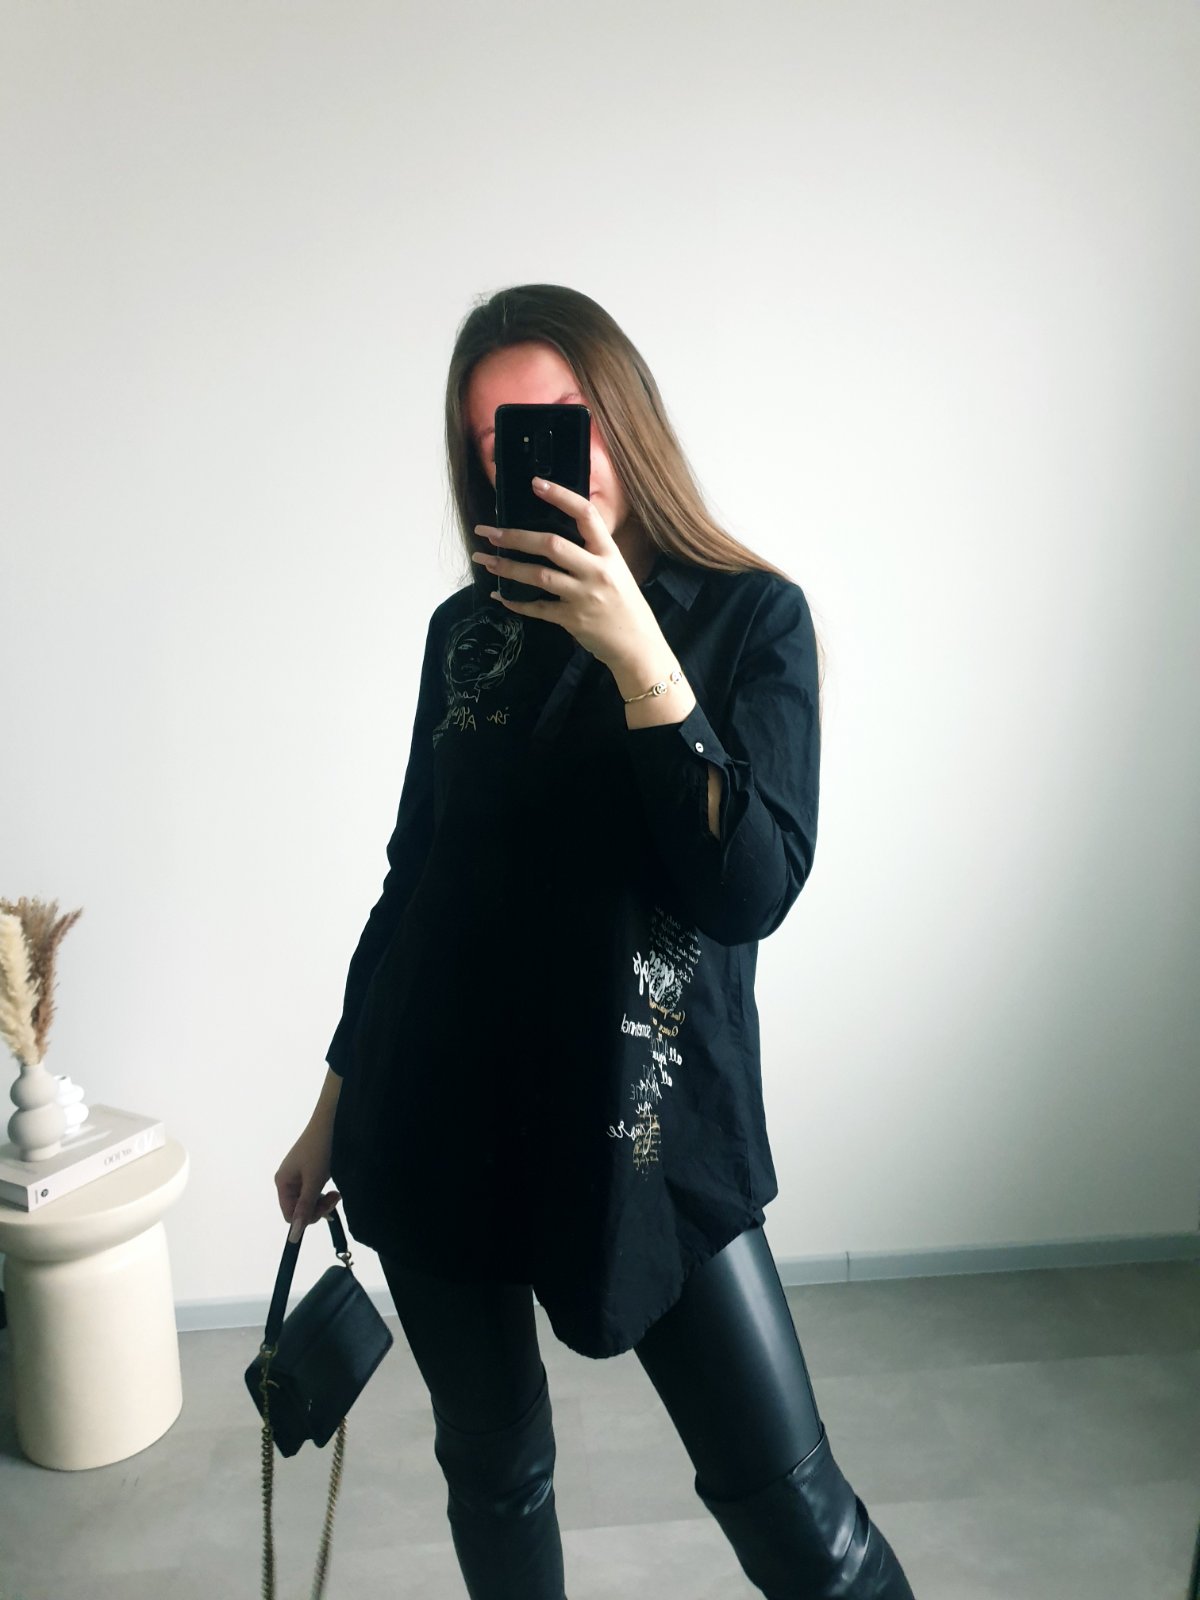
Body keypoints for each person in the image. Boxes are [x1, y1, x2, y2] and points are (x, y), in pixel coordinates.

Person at [274, 284, 916, 1599]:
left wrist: (639, 655)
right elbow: (413, 881)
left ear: (624, 415)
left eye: (562, 419)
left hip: (651, 1130)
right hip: (437, 1117)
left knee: (801, 1517)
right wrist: (333, 1104)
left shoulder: (750, 619)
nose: (539, 457)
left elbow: (749, 888)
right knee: (494, 1476)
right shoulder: (463, 638)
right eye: (497, 438)